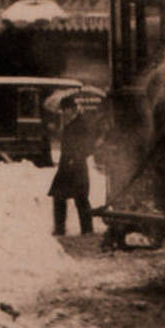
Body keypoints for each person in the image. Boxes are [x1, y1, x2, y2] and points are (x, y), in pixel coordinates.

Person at [49, 95, 95, 237]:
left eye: (65, 110)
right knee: (59, 196)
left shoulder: (81, 124)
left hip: (77, 167)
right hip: (66, 166)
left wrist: (76, 157)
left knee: (80, 198)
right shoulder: (71, 124)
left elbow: (88, 146)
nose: (64, 113)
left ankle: (86, 229)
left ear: (72, 109)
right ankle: (60, 228)